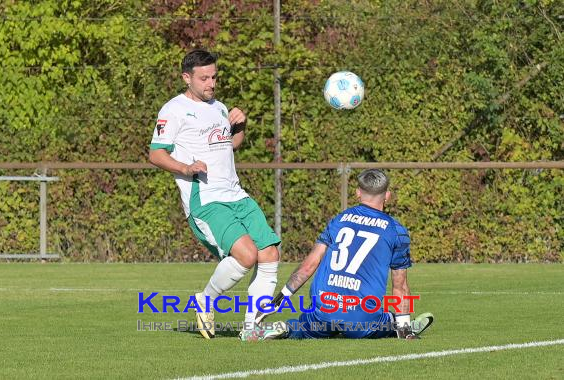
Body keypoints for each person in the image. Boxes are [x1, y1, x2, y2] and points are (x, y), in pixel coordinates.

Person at [148, 49, 281, 340]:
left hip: (236, 193)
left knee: (270, 252)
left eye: (214, 77)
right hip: (206, 198)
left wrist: (241, 126)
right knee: (246, 255)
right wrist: (186, 167)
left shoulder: (220, 107)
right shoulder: (173, 110)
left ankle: (252, 328)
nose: (211, 83)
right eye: (204, 78)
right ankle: (205, 299)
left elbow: (230, 144)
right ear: (187, 78)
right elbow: (156, 154)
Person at [255, 169, 433, 340]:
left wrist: (278, 301)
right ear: (387, 196)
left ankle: (287, 328)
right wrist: (404, 329)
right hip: (361, 319)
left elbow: (308, 266)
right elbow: (399, 286)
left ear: (357, 193)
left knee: (307, 326)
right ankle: (399, 326)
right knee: (387, 320)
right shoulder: (396, 230)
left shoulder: (339, 220)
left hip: (324, 311)